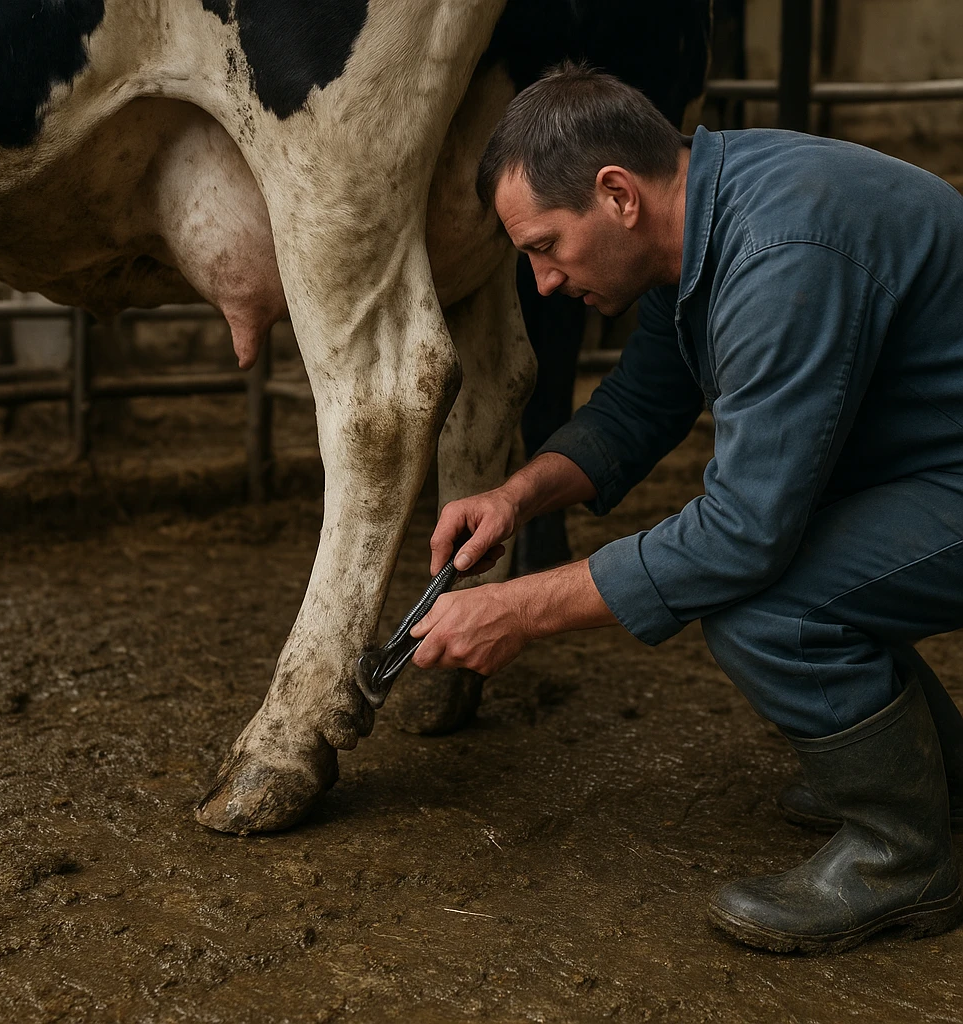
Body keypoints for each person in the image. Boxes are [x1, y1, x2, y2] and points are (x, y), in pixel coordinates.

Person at [408, 62, 963, 954]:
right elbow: (638, 409)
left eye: (545, 245)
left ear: (616, 194)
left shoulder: (781, 254)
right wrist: (517, 494)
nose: (543, 282)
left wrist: (517, 609)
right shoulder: (702, 211)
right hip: (934, 468)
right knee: (790, 571)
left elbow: (741, 535)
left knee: (765, 607)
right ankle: (939, 781)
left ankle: (903, 858)